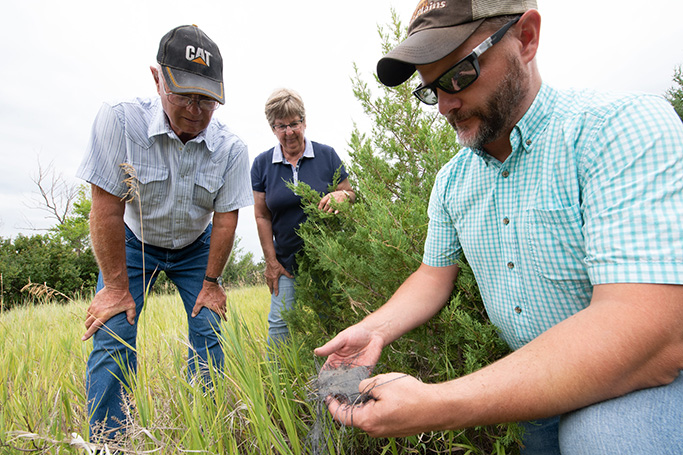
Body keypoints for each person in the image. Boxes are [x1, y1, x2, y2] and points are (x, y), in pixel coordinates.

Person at [314, 1, 683, 453]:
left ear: (526, 38)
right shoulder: (453, 180)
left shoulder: (617, 130)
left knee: (603, 439)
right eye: (431, 90)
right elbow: (433, 275)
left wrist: (436, 404)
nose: (445, 105)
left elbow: (650, 333)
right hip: (533, 386)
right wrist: (376, 330)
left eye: (459, 75)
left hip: (641, 384)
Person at [76, 24, 253, 438]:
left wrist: (211, 281)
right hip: (134, 243)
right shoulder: (120, 121)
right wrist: (116, 288)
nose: (195, 109)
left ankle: (206, 426)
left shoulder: (232, 148)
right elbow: (105, 208)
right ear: (157, 79)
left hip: (196, 247)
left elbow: (226, 219)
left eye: (207, 99)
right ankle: (110, 441)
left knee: (209, 325)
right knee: (113, 329)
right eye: (184, 95)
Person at [251, 88, 355, 346]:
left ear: (304, 122)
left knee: (330, 324)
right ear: (272, 129)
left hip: (326, 260)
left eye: (294, 124)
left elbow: (351, 194)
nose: (289, 132)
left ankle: (336, 383)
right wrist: (271, 262)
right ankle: (279, 383)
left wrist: (342, 197)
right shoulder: (262, 164)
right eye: (281, 126)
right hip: (285, 263)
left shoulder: (327, 155)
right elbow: (262, 216)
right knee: (279, 325)